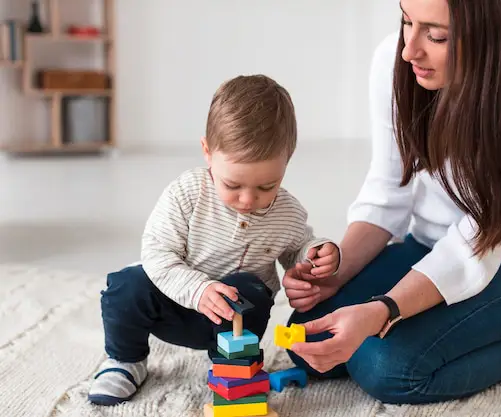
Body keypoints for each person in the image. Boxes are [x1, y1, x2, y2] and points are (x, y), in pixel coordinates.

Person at [282, 0, 501, 405]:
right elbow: (389, 190)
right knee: (308, 333)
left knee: (386, 367)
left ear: (496, 37)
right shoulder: (396, 61)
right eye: (407, 21)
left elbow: (474, 245)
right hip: (430, 245)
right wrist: (339, 269)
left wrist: (384, 310)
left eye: (437, 35)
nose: (410, 50)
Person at [87, 75, 341, 406]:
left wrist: (316, 253)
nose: (248, 199)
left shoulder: (288, 212)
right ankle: (125, 361)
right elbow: (157, 252)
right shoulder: (187, 193)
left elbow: (297, 248)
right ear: (207, 152)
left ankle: (232, 367)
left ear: (287, 161)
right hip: (175, 303)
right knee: (126, 286)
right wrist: (198, 289)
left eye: (267, 186)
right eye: (233, 185)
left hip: (235, 321)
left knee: (250, 288)